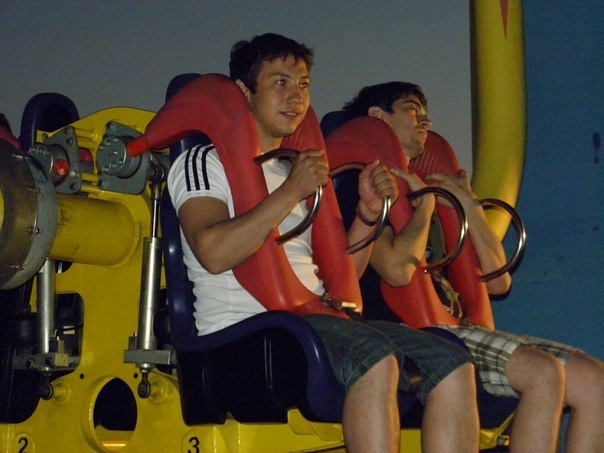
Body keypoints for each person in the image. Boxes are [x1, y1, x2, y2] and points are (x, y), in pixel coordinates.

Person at [167, 34, 479, 453]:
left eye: (303, 85)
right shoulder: (203, 161)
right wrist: (289, 193)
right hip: (244, 331)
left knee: (453, 362)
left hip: (314, 317)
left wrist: (368, 215)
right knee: (375, 356)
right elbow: (213, 251)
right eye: (280, 83)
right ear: (244, 91)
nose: (295, 97)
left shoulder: (294, 170)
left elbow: (343, 277)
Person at [340, 81, 604, 453]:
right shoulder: (360, 185)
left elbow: (498, 281)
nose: (425, 121)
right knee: (542, 373)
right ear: (377, 117)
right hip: (411, 332)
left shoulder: (431, 187)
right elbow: (397, 270)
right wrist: (426, 207)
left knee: (594, 380)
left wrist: (469, 205)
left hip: (459, 326)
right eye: (412, 110)